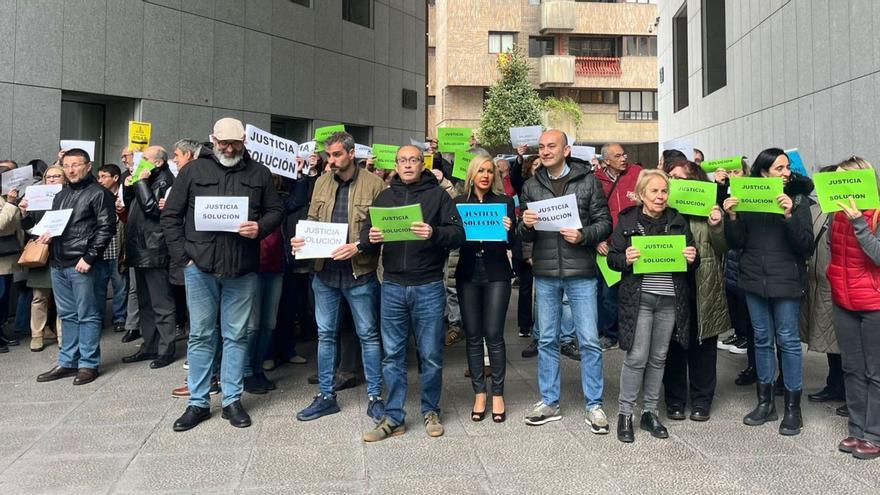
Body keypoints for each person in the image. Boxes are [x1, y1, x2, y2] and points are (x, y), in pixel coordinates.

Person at [162, 118, 283, 431]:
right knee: (201, 334)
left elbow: (276, 210)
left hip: (242, 268)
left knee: (237, 334)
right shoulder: (192, 171)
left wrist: (260, 227)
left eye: (235, 144)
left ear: (244, 142)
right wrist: (183, 257)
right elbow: (171, 216)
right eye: (223, 143)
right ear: (212, 140)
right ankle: (199, 402)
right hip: (200, 268)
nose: (229, 149)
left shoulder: (258, 173)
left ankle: (232, 399)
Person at [361, 145, 465, 442]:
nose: (408, 165)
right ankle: (394, 417)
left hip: (428, 286)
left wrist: (434, 233)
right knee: (392, 355)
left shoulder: (439, 196)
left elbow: (458, 234)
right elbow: (367, 237)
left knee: (430, 354)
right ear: (396, 164)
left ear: (423, 164)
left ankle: (431, 410)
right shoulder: (385, 196)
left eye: (414, 160)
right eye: (403, 160)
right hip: (392, 285)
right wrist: (370, 237)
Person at [518, 129, 612, 432]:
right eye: (542, 147)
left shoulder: (588, 181)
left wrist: (584, 235)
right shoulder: (531, 186)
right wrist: (526, 225)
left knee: (588, 340)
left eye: (552, 146)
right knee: (546, 339)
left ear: (566, 150)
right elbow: (523, 234)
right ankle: (549, 401)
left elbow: (605, 223)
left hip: (581, 271)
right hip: (545, 272)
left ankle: (594, 405)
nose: (545, 151)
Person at [291, 132, 386, 422]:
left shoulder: (375, 185)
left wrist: (358, 246)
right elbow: (313, 221)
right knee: (326, 335)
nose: (330, 161)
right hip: (325, 272)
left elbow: (381, 232)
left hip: (360, 272)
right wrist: (301, 240)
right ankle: (326, 395)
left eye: (336, 155)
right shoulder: (321, 182)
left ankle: (375, 397)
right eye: (328, 155)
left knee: (368, 335)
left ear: (351, 153)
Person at [723, 148, 814, 436]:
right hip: (753, 280)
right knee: (761, 340)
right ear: (763, 173)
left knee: (787, 341)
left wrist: (788, 215)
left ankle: (792, 408)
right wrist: (733, 217)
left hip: (786, 280)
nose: (786, 173)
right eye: (779, 168)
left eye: (787, 168)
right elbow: (736, 243)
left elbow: (805, 246)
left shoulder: (798, 201)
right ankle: (764, 403)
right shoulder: (748, 201)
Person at [607, 169, 699, 442]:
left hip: (670, 300)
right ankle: (625, 414)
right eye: (654, 191)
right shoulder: (627, 220)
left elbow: (695, 260)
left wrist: (693, 256)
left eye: (664, 191)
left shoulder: (678, 221)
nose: (660, 196)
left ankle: (649, 413)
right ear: (641, 194)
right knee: (636, 357)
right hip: (640, 300)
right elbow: (612, 259)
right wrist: (625, 257)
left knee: (659, 357)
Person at [35, 148, 116, 386]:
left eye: (76, 164)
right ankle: (68, 361)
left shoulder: (99, 193)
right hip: (59, 262)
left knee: (88, 315)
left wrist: (90, 257)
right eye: (67, 165)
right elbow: (56, 224)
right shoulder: (60, 195)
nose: (71, 169)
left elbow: (106, 228)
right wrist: (46, 236)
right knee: (68, 315)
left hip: (83, 264)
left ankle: (88, 364)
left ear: (88, 166)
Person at [661, 161, 728, 422]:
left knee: (704, 345)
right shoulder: (663, 208)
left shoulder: (709, 207)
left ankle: (702, 400)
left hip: (704, 285)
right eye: (670, 177)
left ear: (693, 179)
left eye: (677, 176)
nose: (672, 180)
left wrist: (717, 224)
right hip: (672, 284)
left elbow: (723, 248)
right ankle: (675, 400)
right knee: (674, 345)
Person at [826, 156, 880, 460]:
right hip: (843, 300)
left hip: (874, 303)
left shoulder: (875, 213)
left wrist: (859, 222)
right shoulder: (836, 215)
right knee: (852, 368)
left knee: (875, 372)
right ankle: (857, 428)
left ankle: (874, 433)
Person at [454, 155, 515, 423]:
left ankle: (498, 393)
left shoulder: (504, 203)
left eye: (490, 171)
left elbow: (514, 242)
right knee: (473, 334)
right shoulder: (459, 204)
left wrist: (510, 229)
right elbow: (453, 239)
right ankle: (480, 391)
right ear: (471, 174)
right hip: (468, 272)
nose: (486, 175)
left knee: (494, 334)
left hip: (497, 272)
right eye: (481, 170)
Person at [121, 146, 177, 369]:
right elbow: (130, 204)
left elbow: (153, 209)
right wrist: (129, 186)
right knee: (145, 302)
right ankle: (150, 345)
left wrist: (141, 182)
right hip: (140, 247)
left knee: (161, 301)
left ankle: (166, 348)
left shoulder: (164, 181)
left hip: (155, 248)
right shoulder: (144, 177)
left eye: (144, 158)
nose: (139, 161)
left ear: (158, 163)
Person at [801, 165, 846, 406]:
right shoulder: (816, 210)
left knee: (845, 342)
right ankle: (834, 384)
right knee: (828, 338)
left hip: (840, 285)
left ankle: (850, 391)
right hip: (818, 285)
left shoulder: (849, 211)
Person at [594, 143, 643, 351]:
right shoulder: (595, 180)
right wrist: (597, 240)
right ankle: (610, 333)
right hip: (608, 245)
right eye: (617, 156)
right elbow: (590, 212)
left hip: (636, 242)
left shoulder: (638, 173)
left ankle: (632, 333)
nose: (624, 158)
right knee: (607, 294)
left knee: (635, 291)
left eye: (624, 154)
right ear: (606, 161)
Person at [19, 165, 66, 352]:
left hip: (63, 251)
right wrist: (23, 213)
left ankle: (63, 336)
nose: (52, 179)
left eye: (57, 176)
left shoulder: (71, 196)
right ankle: (37, 335)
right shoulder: (36, 197)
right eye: (49, 176)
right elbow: (29, 229)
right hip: (41, 252)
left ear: (65, 179)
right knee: (39, 297)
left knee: (63, 299)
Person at [96, 164, 128, 334]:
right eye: (98, 176)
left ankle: (120, 318)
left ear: (115, 178)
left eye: (104, 176)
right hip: (100, 249)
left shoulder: (124, 194)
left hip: (118, 247)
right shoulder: (97, 195)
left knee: (120, 286)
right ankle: (98, 318)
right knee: (99, 287)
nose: (100, 180)